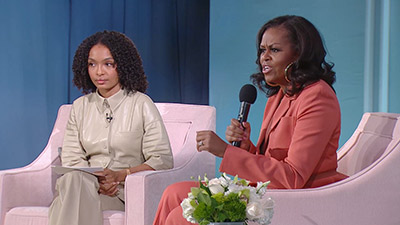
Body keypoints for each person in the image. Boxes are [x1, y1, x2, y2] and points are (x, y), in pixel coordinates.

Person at [152, 15, 348, 225]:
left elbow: (292, 177)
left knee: (181, 217)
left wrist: (225, 152)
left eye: (274, 50)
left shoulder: (318, 96)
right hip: (267, 191)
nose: (264, 57)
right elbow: (270, 160)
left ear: (299, 54)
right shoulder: (279, 94)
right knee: (173, 194)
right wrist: (246, 147)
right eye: (262, 50)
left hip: (300, 199)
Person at [48, 30, 173, 225]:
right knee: (73, 180)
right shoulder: (80, 107)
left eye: (108, 64)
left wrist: (121, 175)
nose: (99, 72)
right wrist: (96, 183)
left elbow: (162, 159)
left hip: (119, 193)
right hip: (83, 187)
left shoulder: (141, 104)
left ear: (122, 66)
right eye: (92, 64)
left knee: (68, 199)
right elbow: (72, 160)